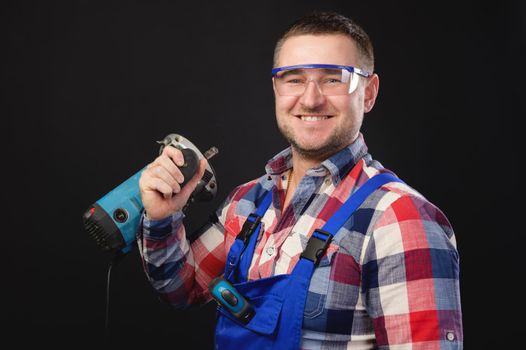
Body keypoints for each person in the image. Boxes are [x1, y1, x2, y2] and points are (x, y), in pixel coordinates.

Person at [137, 11, 463, 349]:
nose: (310, 99)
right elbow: (181, 289)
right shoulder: (247, 201)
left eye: (334, 78)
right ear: (276, 88)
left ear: (368, 92)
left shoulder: (400, 219)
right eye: (294, 78)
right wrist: (162, 217)